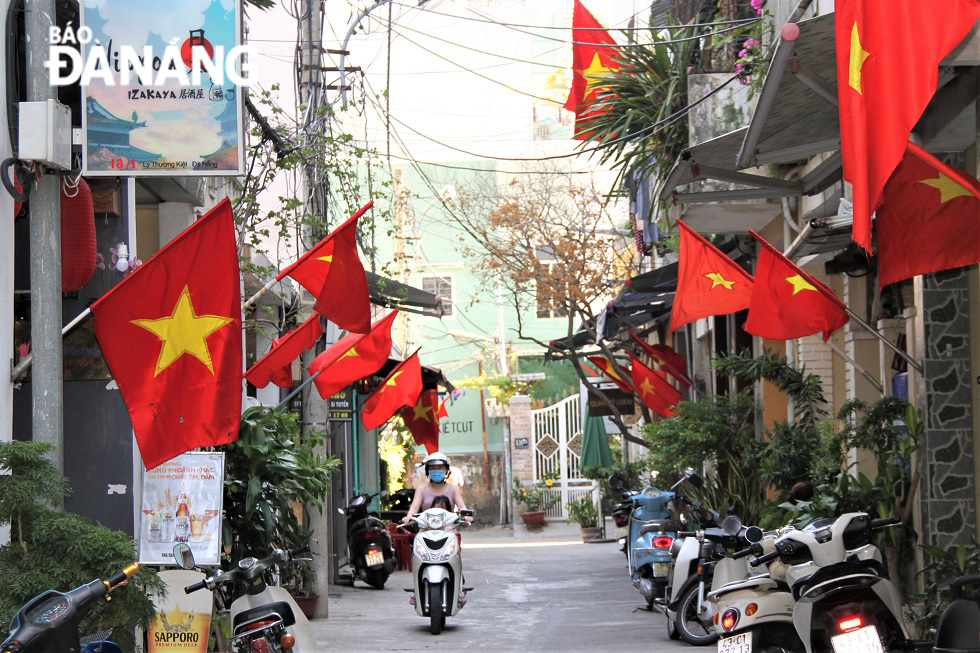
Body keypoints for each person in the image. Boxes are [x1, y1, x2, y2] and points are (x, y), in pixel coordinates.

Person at [401, 451, 472, 524]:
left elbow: (461, 507)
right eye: (432, 468)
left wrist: (466, 517)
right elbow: (414, 508)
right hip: (426, 528)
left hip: (448, 528)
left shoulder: (454, 489)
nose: (436, 470)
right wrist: (409, 517)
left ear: (447, 470)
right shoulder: (421, 490)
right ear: (427, 471)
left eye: (440, 467)